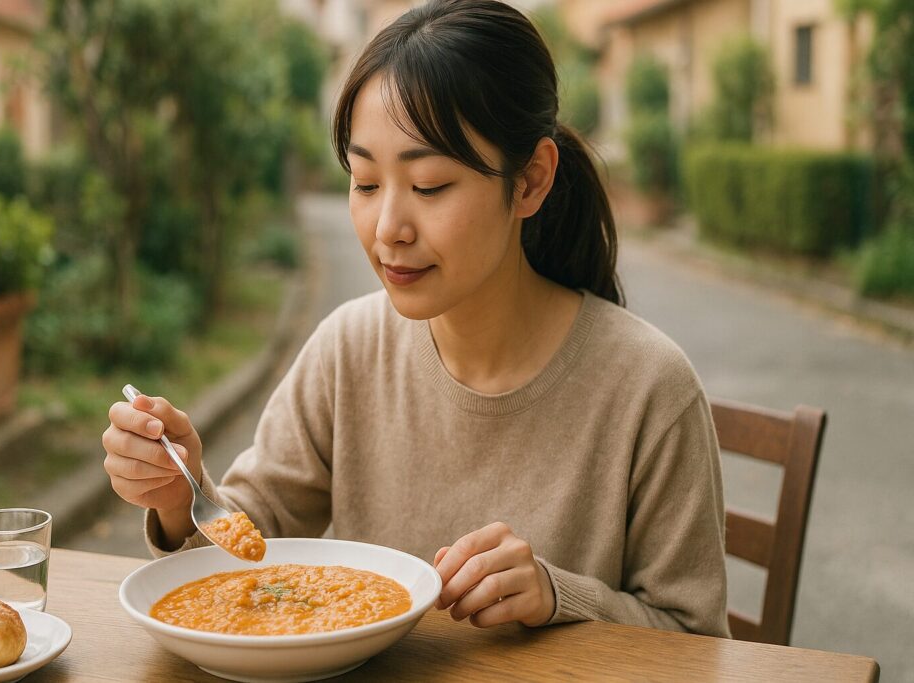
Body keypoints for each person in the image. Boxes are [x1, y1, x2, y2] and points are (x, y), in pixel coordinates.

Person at [102, 0, 729, 637]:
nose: (388, 229)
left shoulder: (650, 388)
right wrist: (181, 499)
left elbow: (699, 644)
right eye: (365, 182)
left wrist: (555, 596)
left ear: (531, 181)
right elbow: (249, 548)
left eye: (428, 185)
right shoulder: (348, 350)